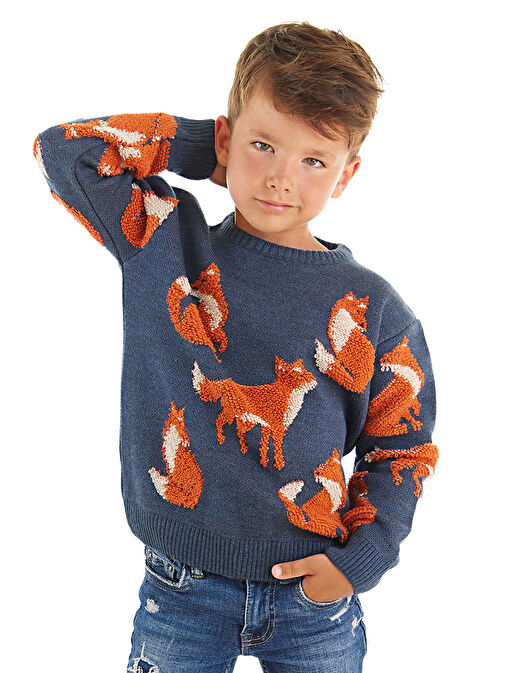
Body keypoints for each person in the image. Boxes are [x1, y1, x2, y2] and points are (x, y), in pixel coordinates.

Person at [33, 20, 439, 673]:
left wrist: (360, 561)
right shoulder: (162, 241)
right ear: (227, 139)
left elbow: (402, 446)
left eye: (313, 160)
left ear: (345, 175)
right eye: (262, 145)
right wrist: (203, 149)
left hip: (313, 598)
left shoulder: (373, 307)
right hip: (181, 590)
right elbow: (65, 152)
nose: (280, 178)